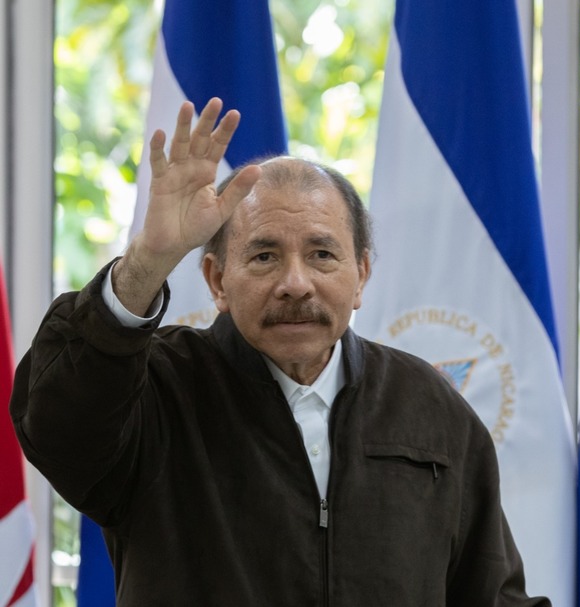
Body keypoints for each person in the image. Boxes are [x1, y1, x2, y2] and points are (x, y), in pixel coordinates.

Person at [10, 98, 551, 606]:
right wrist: (148, 260)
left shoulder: (428, 405)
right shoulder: (154, 388)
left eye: (322, 255)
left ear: (361, 275)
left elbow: (492, 594)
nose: (295, 284)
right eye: (265, 256)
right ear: (217, 280)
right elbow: (55, 428)